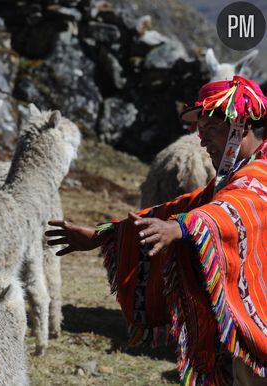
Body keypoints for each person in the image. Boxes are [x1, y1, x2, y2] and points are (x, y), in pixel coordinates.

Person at [46, 75, 266, 385]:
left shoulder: (258, 178)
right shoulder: (232, 179)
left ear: (241, 126)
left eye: (212, 130)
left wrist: (179, 228)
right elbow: (181, 207)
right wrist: (101, 235)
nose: (203, 141)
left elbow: (229, 210)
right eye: (200, 132)